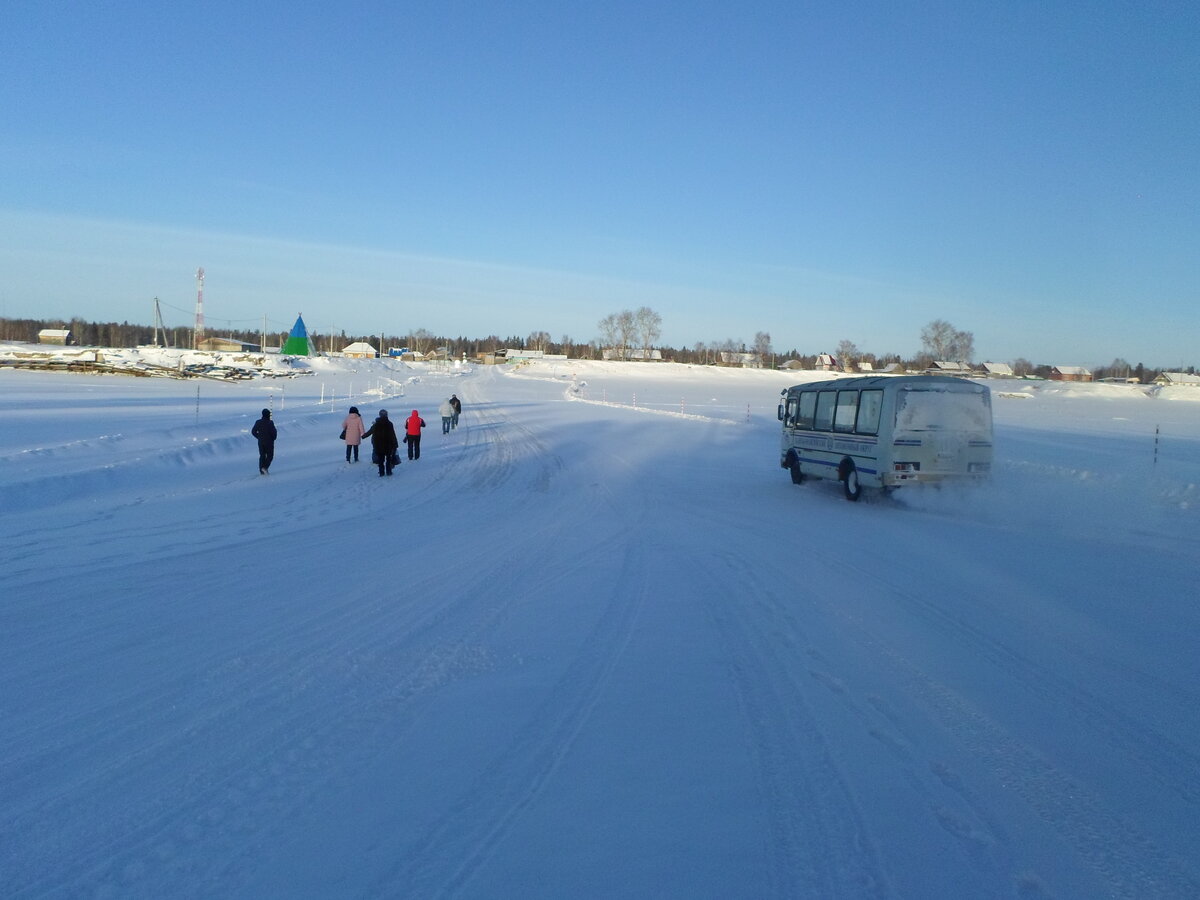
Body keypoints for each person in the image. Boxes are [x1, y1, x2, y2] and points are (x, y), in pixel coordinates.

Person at [362, 409, 400, 476]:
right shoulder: (390, 424)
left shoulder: (376, 424)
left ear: (379, 415)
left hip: (378, 445)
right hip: (388, 445)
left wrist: (363, 436)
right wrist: (395, 444)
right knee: (388, 459)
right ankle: (389, 472)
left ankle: (381, 473)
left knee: (381, 460)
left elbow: (370, 432)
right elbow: (393, 435)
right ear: (386, 415)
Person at [251, 408, 277, 475]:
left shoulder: (258, 422)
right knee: (270, 456)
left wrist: (259, 437)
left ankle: (262, 471)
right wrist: (273, 438)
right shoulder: (270, 423)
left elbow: (253, 431)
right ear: (268, 415)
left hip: (261, 442)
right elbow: (274, 433)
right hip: (269, 443)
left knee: (262, 456)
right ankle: (265, 468)